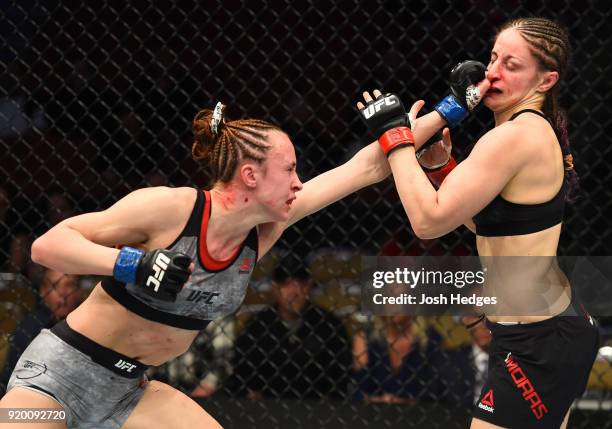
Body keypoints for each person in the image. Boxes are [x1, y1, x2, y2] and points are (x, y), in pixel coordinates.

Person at [0, 102, 390, 429]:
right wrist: (133, 264)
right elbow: (47, 247)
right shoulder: (172, 209)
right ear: (250, 175)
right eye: (289, 169)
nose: (299, 182)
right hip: (55, 380)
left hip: (127, 393)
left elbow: (365, 169)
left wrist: (449, 109)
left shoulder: (261, 232)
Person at [358, 17, 599, 429]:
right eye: (493, 58)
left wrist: (394, 136)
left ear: (546, 80)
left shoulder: (513, 137)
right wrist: (438, 167)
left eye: (512, 64)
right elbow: (490, 223)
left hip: (537, 342)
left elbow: (428, 221)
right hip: (549, 330)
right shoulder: (526, 132)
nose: (493, 72)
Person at [227, 267, 351, 399]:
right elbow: (241, 369)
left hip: (316, 404)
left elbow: (341, 374)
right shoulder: (258, 324)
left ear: (308, 287)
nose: (293, 292)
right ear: (275, 288)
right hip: (266, 403)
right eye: (286, 285)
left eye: (299, 285)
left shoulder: (328, 324)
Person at [0, 270, 83, 395]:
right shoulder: (29, 327)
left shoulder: (88, 326)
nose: (63, 294)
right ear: (43, 291)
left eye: (69, 285)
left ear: (78, 292)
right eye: (55, 286)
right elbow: (7, 379)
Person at [352, 315, 438, 404]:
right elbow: (357, 389)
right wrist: (377, 400)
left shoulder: (430, 339)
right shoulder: (366, 338)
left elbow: (437, 392)